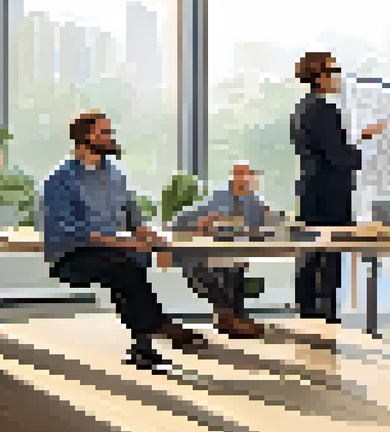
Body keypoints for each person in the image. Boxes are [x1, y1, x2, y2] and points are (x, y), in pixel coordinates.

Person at [43, 112, 206, 372]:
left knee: (128, 266)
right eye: (103, 133)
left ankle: (143, 348)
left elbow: (134, 218)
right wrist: (120, 242)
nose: (110, 138)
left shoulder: (115, 174)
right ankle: (158, 325)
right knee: (123, 264)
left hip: (114, 253)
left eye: (110, 132)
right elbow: (69, 231)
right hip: (72, 256)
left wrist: (155, 238)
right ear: (84, 137)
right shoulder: (60, 180)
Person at [289, 52, 386, 323]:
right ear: (319, 75)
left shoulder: (301, 108)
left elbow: (324, 148)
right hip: (330, 191)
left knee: (311, 253)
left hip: (311, 189)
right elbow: (339, 157)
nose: (338, 76)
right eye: (334, 69)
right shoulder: (325, 110)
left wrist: (356, 140)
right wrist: (363, 149)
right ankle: (325, 315)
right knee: (330, 253)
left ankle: (309, 312)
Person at [167, 163, 285, 339]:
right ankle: (231, 318)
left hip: (231, 253)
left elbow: (269, 222)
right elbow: (176, 223)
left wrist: (278, 220)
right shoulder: (217, 198)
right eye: (242, 176)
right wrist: (200, 225)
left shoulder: (253, 201)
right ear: (233, 177)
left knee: (234, 265)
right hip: (204, 253)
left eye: (250, 177)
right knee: (210, 269)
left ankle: (231, 320)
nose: (246, 181)